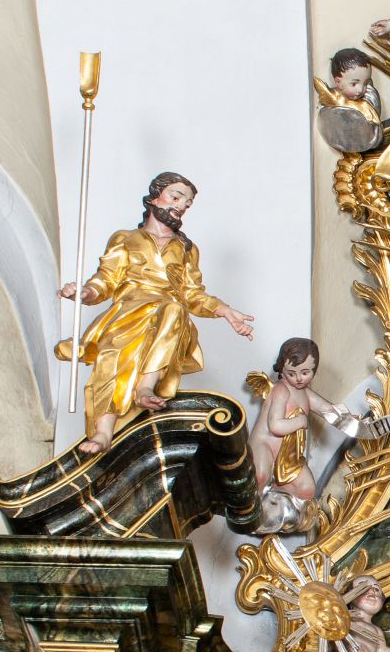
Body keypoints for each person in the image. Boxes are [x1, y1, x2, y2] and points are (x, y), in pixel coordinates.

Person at [58, 174, 258, 451]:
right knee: (111, 360)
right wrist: (83, 293)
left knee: (174, 308)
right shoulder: (125, 239)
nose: (181, 206)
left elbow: (192, 294)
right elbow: (105, 280)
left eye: (187, 204)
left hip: (168, 317)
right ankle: (103, 433)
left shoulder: (186, 248)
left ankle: (146, 387)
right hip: (127, 313)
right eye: (176, 197)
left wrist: (224, 310)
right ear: (154, 197)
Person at [248, 336, 356, 532]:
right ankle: (249, 513)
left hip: (288, 456)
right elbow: (275, 426)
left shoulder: (304, 393)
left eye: (305, 373)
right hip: (265, 445)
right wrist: (298, 422)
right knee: (260, 474)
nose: (299, 379)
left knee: (307, 489)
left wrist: (349, 419)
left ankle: (276, 504)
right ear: (281, 370)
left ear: (314, 370)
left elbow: (326, 409)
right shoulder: (280, 391)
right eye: (291, 373)